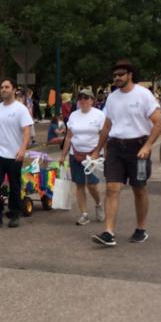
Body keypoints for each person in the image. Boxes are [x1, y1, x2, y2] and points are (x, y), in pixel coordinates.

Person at [92, 61, 161, 247]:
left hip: (138, 148)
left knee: (138, 189)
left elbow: (158, 123)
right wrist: (97, 149)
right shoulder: (112, 98)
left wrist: (148, 146)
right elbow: (107, 126)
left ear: (130, 75)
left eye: (121, 74)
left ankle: (140, 229)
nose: (117, 78)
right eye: (114, 75)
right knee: (111, 189)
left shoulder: (143, 95)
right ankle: (109, 232)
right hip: (115, 147)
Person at [0, 78, 33, 229]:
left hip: (14, 154)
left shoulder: (21, 109)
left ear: (14, 90)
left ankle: (14, 213)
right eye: (2, 87)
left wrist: (22, 149)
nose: (4, 89)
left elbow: (27, 131)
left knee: (15, 185)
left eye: (7, 87)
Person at [59, 88, 105, 226]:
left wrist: (102, 153)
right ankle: (84, 214)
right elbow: (68, 136)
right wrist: (63, 155)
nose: (83, 101)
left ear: (92, 100)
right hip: (75, 153)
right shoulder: (73, 115)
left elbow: (104, 136)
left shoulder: (99, 115)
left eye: (86, 98)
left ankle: (98, 203)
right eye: (81, 98)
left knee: (92, 185)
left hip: (93, 155)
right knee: (79, 185)